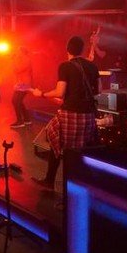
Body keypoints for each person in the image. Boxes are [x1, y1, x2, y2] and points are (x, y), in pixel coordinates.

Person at [30, 36, 99, 189]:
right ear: (82, 50)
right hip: (88, 115)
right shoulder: (93, 67)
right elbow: (98, 90)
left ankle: (51, 181)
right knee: (78, 148)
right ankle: (78, 184)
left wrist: (41, 94)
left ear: (67, 49)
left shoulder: (65, 66)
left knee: (54, 139)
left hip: (70, 114)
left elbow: (60, 92)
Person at [10, 47, 33, 129]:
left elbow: (17, 70)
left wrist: (13, 60)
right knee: (18, 101)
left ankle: (20, 121)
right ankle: (27, 119)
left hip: (24, 84)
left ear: (22, 52)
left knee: (15, 101)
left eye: (18, 51)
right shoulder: (22, 59)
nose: (16, 53)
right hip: (21, 83)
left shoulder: (26, 59)